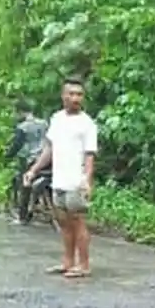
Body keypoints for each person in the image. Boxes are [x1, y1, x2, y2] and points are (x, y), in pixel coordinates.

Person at [23, 78, 97, 279]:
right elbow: (49, 148)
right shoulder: (57, 119)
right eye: (71, 94)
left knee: (78, 221)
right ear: (63, 96)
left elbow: (90, 155)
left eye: (79, 94)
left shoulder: (87, 123)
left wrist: (87, 181)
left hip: (76, 180)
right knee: (63, 222)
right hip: (60, 179)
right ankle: (68, 261)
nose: (75, 98)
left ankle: (84, 264)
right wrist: (34, 169)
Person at [5, 99, 48, 225]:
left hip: (32, 158)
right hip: (48, 157)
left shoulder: (22, 127)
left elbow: (17, 145)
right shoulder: (44, 123)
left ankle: (22, 217)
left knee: (25, 183)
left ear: (20, 112)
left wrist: (8, 155)